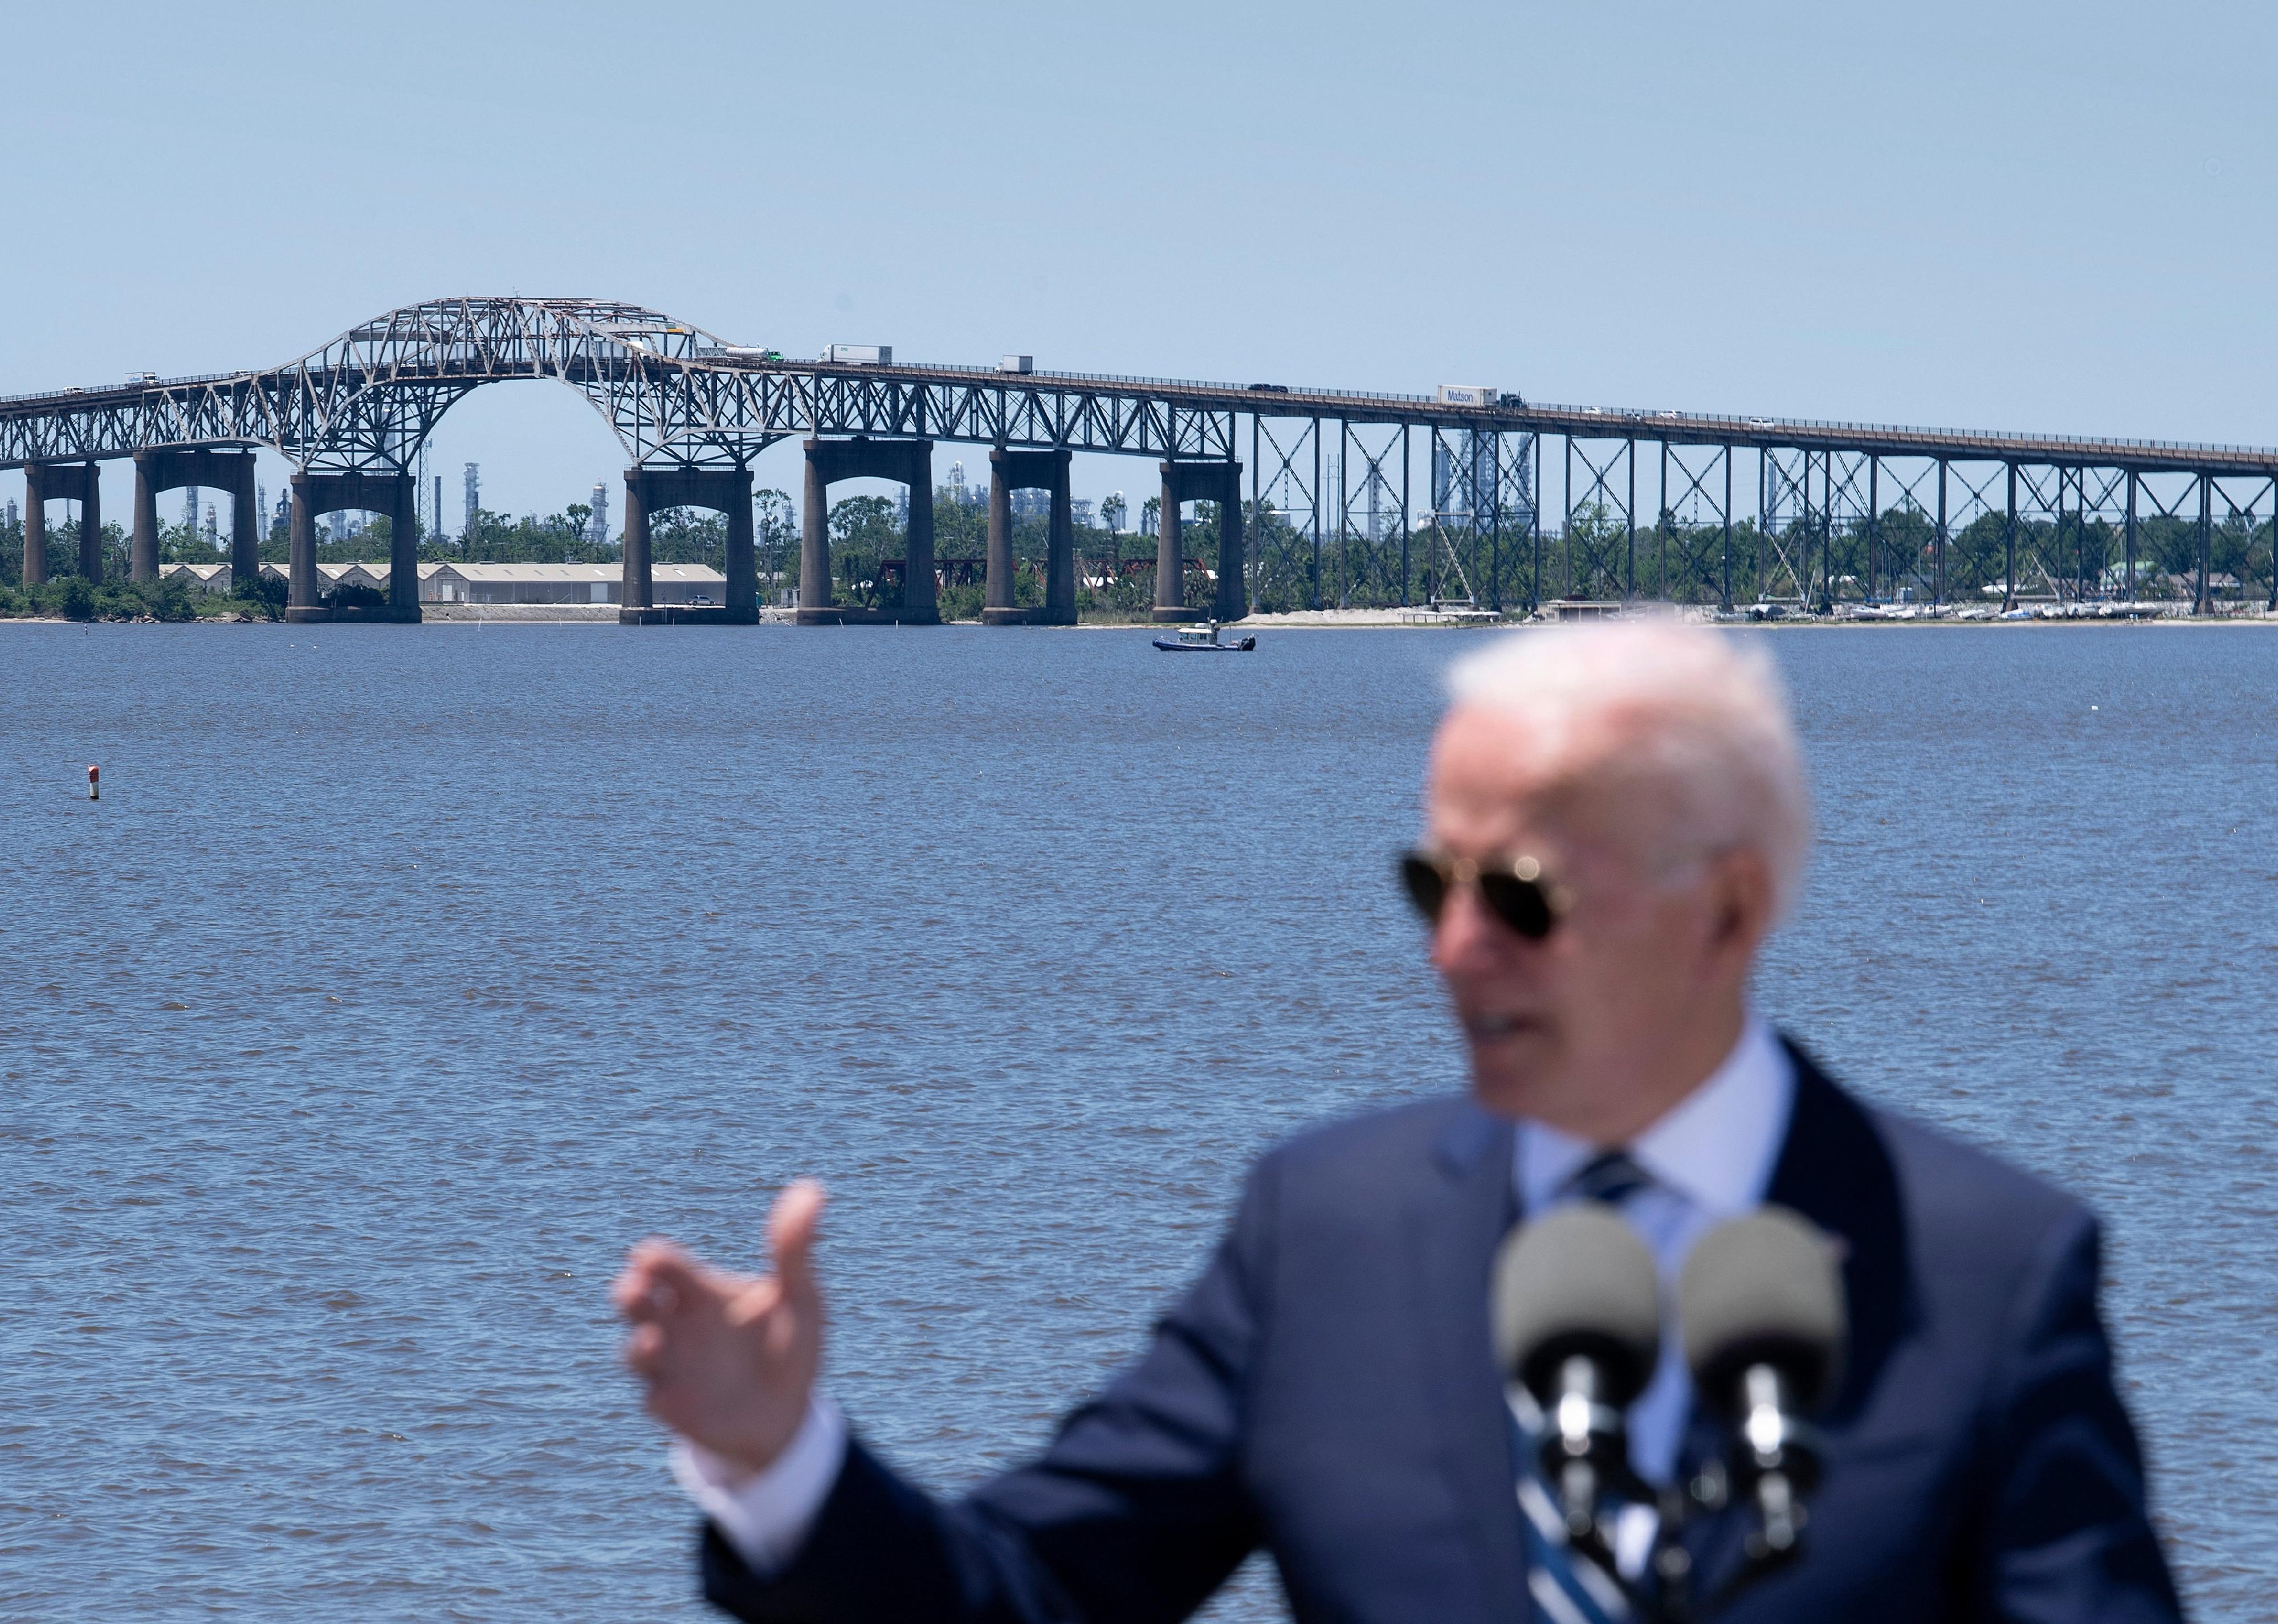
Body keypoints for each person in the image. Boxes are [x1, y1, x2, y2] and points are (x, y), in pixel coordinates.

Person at [615, 622, 2181, 1623]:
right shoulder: (1326, 1234)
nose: (1453, 950)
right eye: (1434, 885)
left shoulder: (1987, 1274)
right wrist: (781, 1461)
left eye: (1523, 897)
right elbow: (1030, 1598)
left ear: (1730, 908)